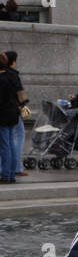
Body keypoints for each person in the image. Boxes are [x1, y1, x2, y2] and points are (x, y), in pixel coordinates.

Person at [4, 51, 27, 177]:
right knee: (18, 137)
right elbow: (20, 93)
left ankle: (9, 167)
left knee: (6, 140)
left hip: (5, 112)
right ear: (13, 61)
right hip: (14, 111)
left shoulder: (3, 74)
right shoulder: (13, 75)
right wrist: (23, 105)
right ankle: (16, 167)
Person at [0, 53, 22, 184]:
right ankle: (12, 173)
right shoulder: (12, 76)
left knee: (4, 146)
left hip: (2, 116)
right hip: (13, 114)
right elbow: (19, 93)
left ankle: (6, 174)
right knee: (11, 144)